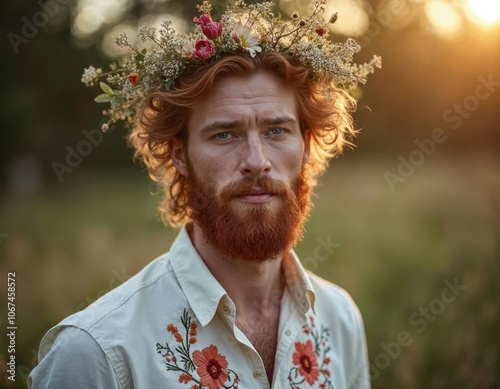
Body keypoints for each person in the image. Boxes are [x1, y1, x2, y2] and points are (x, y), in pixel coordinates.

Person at [29, 1, 380, 387]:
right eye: (224, 134)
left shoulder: (340, 319)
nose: (256, 161)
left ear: (307, 145)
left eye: (277, 130)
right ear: (180, 153)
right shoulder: (96, 353)